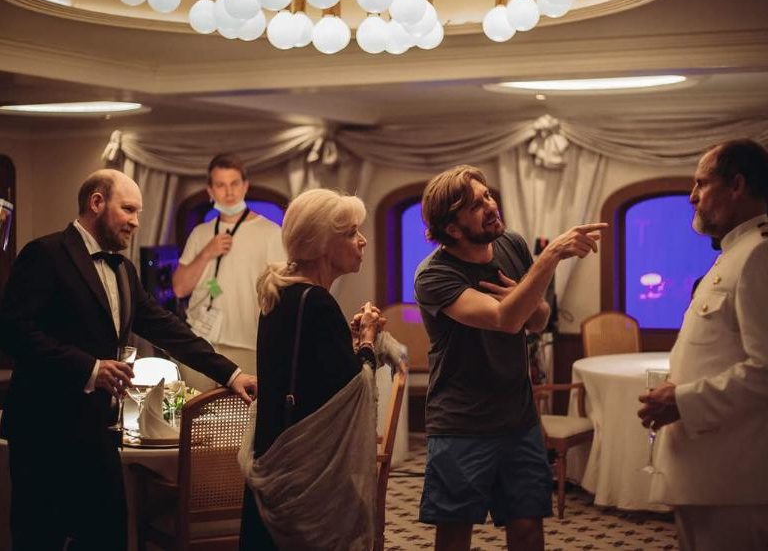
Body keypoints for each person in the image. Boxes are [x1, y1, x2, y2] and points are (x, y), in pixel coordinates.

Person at [0, 169, 257, 551]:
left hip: (99, 428)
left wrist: (231, 374)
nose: (136, 221)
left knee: (108, 536)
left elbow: (168, 329)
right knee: (41, 539)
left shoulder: (124, 269)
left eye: (138, 212)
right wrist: (90, 368)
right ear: (97, 203)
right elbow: (13, 332)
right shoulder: (45, 254)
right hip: (44, 430)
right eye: (128, 209)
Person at [415, 165, 606, 551]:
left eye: (487, 195)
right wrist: (551, 254)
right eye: (475, 205)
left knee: (528, 528)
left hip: (519, 419)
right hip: (461, 423)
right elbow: (505, 320)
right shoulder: (434, 275)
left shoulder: (512, 245)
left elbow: (538, 319)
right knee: (455, 534)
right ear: (452, 228)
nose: (491, 205)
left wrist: (523, 296)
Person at [638, 139, 768, 551]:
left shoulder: (760, 254)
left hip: (735, 478)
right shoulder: (736, 252)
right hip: (709, 471)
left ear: (737, 185)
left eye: (701, 183)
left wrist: (683, 400)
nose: (692, 196)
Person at [239, 188, 383, 550]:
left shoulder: (279, 295)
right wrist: (367, 340)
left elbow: (315, 376)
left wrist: (348, 341)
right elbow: (354, 393)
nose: (362, 240)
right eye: (351, 233)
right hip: (306, 473)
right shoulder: (318, 303)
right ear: (322, 245)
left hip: (275, 454)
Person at [172, 154, 284, 390]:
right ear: (210, 191)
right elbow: (179, 288)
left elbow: (282, 291)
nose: (229, 192)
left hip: (248, 343)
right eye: (221, 185)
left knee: (243, 414)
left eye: (234, 183)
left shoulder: (271, 233)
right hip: (200, 343)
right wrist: (206, 253)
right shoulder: (200, 233)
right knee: (195, 409)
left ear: (245, 186)